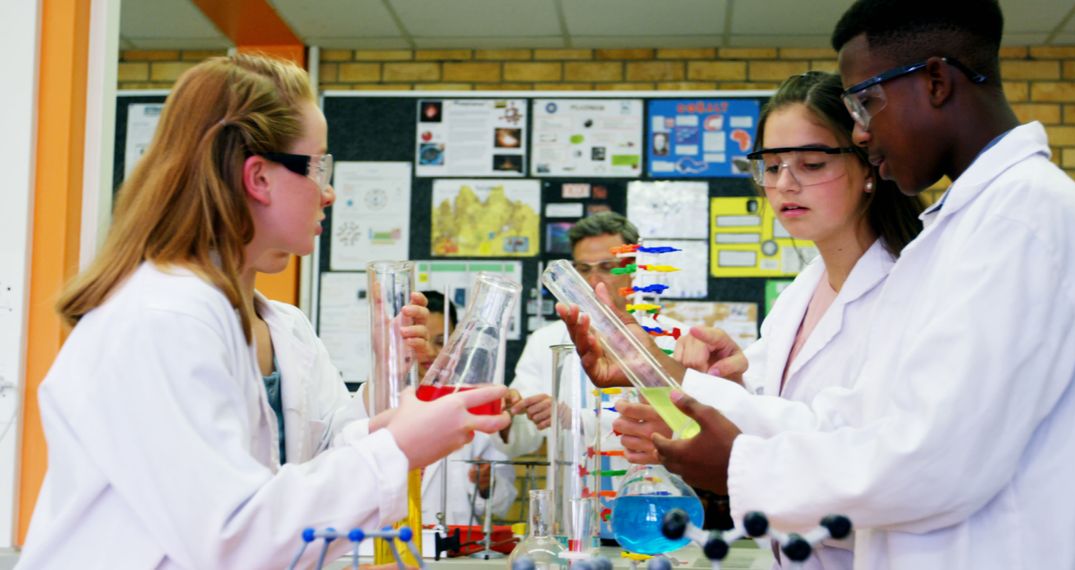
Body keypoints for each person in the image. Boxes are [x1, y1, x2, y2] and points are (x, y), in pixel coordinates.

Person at [564, 1, 1075, 568]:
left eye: (866, 102)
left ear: (936, 81)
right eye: (772, 165)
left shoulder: (1018, 219)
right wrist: (654, 368)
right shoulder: (963, 230)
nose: (862, 130)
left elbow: (933, 461)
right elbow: (839, 424)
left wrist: (738, 465)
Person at [17, 54, 508, 569]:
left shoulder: (260, 321)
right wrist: (398, 448)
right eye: (319, 166)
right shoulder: (163, 319)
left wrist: (386, 427)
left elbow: (296, 473)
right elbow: (230, 538)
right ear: (259, 178)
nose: (330, 191)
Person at [615, 70, 923, 570]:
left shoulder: (908, 288)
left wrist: (680, 380)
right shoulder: (801, 292)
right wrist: (730, 384)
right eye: (772, 165)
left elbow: (851, 447)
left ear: (869, 163)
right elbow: (773, 419)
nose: (785, 184)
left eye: (812, 163)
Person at [497, 212, 681, 458]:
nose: (593, 281)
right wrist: (511, 415)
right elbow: (522, 440)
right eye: (583, 269)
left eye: (606, 267)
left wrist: (575, 418)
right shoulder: (545, 341)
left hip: (652, 490)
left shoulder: (671, 337)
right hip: (570, 489)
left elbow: (684, 425)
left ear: (633, 268)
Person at [418, 291, 516, 526]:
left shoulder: (477, 404)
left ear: (457, 344)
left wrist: (487, 484)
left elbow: (504, 502)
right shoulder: (379, 402)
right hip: (387, 547)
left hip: (455, 550)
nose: (431, 352)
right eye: (422, 341)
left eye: (442, 342)